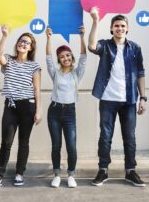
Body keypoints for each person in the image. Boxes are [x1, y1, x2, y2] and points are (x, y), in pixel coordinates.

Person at [88, 7, 146, 187]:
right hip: (108, 99)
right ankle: (103, 170)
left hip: (129, 100)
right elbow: (91, 45)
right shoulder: (105, 45)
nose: (120, 28)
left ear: (127, 28)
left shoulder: (135, 48)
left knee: (129, 136)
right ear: (112, 28)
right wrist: (96, 21)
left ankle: (130, 171)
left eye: (122, 26)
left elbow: (141, 73)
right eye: (116, 26)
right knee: (105, 136)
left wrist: (143, 97)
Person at [0, 25, 42, 190]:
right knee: (6, 142)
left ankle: (19, 173)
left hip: (28, 106)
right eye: (21, 41)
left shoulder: (34, 66)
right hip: (11, 105)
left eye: (27, 43)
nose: (23, 44)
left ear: (30, 48)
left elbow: (37, 89)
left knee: (24, 142)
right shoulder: (8, 60)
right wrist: (4, 36)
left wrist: (39, 110)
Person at [45, 25, 86, 188]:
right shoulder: (55, 73)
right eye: (62, 57)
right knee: (56, 144)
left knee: (71, 145)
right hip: (54, 111)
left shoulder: (77, 73)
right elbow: (48, 58)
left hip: (69, 112)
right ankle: (56, 174)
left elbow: (84, 57)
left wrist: (82, 36)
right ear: (59, 59)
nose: (65, 58)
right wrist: (48, 38)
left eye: (68, 55)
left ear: (71, 57)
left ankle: (70, 175)